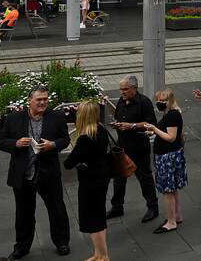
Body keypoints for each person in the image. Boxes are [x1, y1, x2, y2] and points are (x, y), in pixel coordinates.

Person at [0, 86, 71, 259]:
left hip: (48, 173)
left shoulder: (56, 117)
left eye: (45, 99)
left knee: (57, 209)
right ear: (29, 101)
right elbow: (0, 141)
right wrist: (15, 143)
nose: (43, 102)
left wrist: (52, 145)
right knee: (23, 213)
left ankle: (62, 242)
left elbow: (65, 139)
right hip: (23, 174)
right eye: (39, 99)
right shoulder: (14, 118)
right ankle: (22, 246)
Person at [109, 75, 159, 223]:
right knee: (118, 178)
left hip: (138, 147)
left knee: (144, 178)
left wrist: (132, 126)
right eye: (121, 89)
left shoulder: (144, 102)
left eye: (125, 89)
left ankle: (153, 207)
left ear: (134, 88)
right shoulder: (121, 101)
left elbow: (151, 124)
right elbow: (119, 117)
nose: (122, 92)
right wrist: (117, 124)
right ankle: (117, 207)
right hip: (122, 145)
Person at [64, 101, 110, 260]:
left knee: (92, 220)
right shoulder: (102, 130)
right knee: (99, 215)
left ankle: (103, 256)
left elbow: (68, 163)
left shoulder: (85, 138)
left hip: (90, 182)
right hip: (102, 178)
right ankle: (99, 254)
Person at [144, 89, 187, 233]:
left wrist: (154, 129)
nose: (160, 103)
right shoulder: (171, 113)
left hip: (167, 157)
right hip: (171, 155)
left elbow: (171, 137)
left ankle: (171, 221)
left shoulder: (172, 115)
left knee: (168, 191)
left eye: (163, 101)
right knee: (173, 189)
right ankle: (177, 216)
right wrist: (155, 130)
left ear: (170, 100)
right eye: (158, 100)